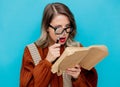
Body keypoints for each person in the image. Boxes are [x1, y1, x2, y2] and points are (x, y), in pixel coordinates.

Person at [20, 2, 98, 87]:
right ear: (47, 27)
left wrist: (77, 78)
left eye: (67, 27)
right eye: (58, 28)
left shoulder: (77, 48)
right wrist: (47, 62)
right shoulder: (31, 51)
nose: (64, 33)